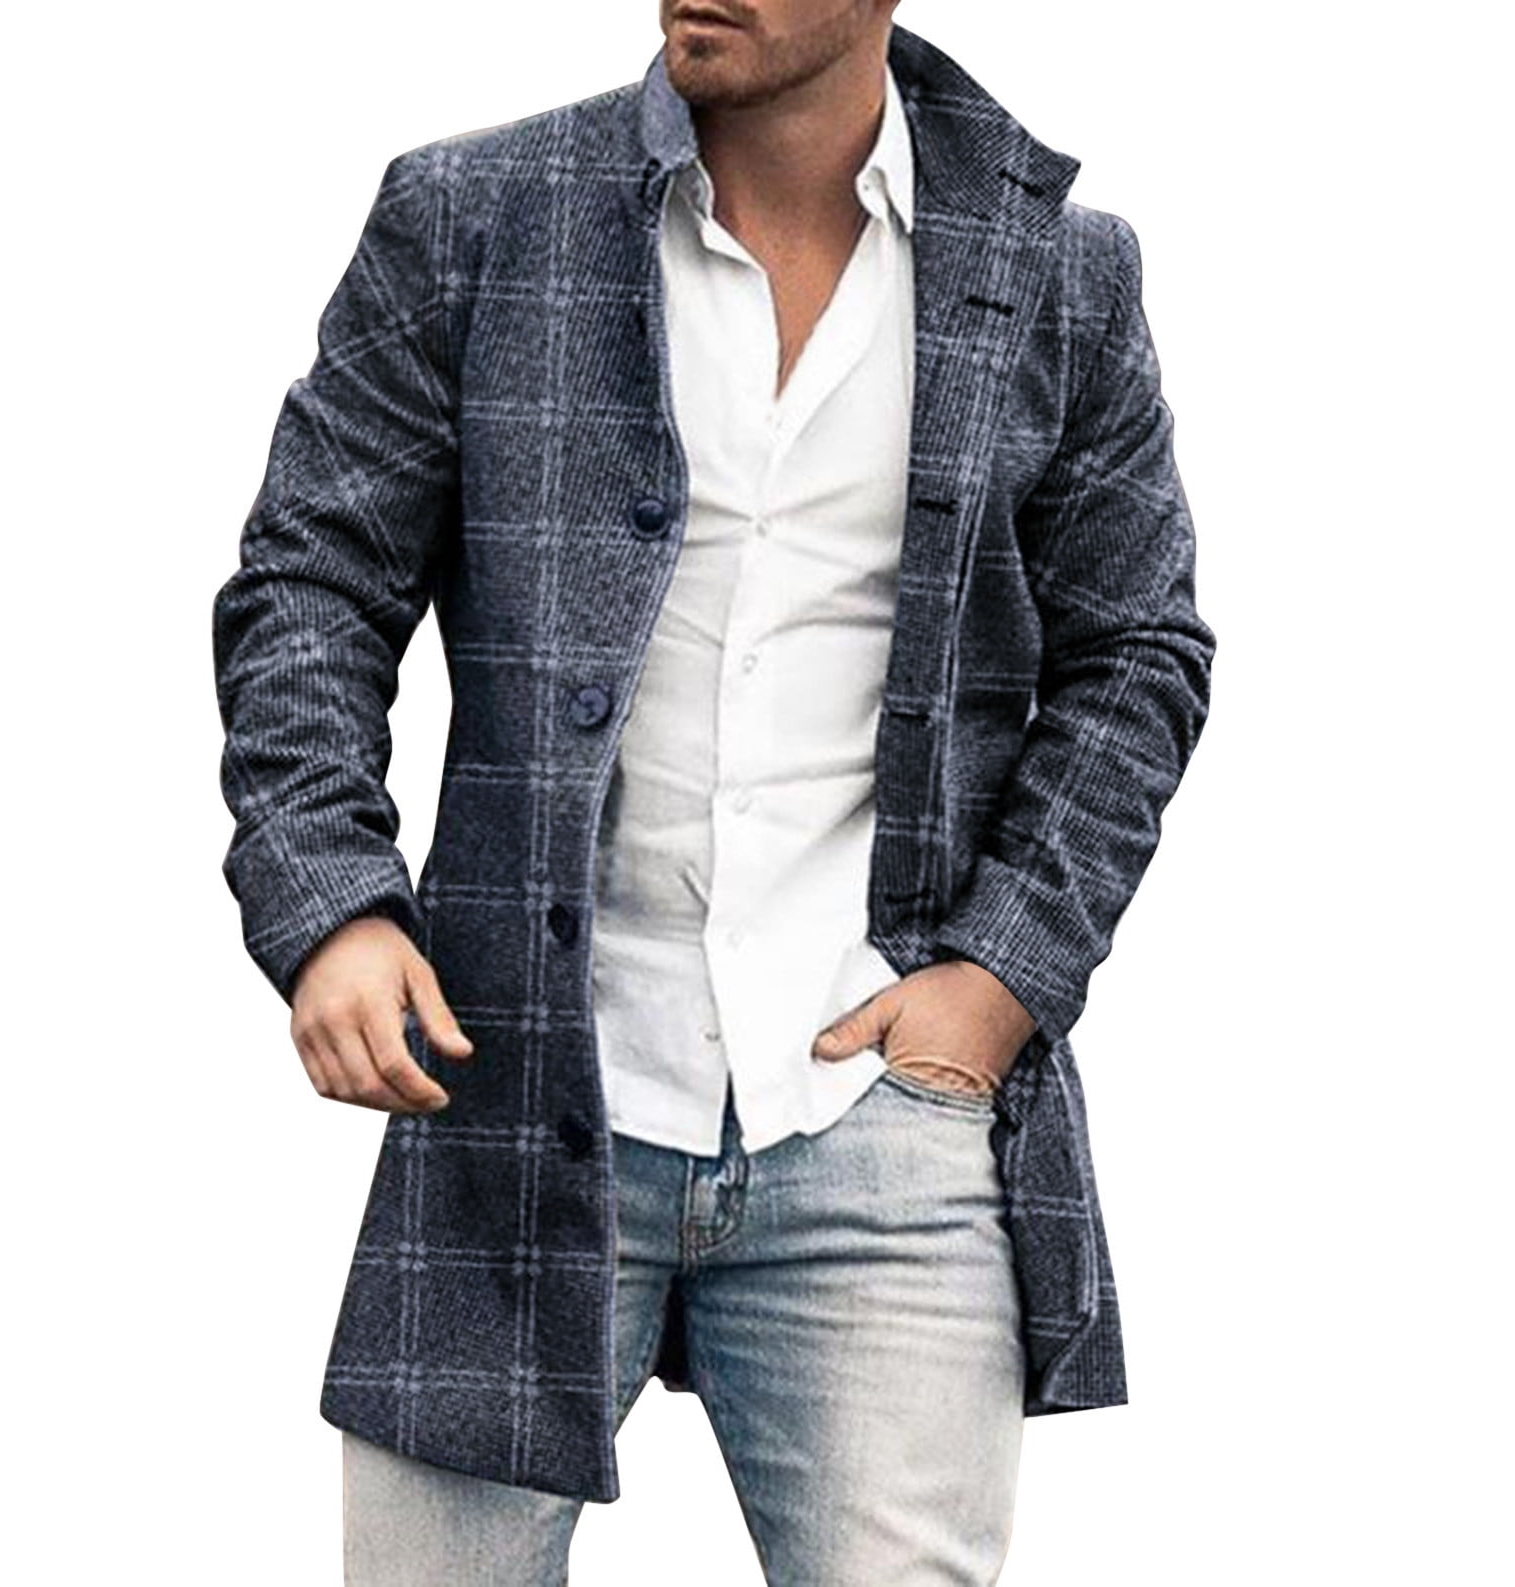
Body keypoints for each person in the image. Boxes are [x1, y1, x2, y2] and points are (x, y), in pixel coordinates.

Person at [212, 3, 1214, 1581]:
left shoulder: (1058, 272)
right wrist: (332, 901)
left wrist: (1000, 980)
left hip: (875, 1113)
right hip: (514, 1090)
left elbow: (1138, 650)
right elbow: (311, 583)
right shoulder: (474, 218)